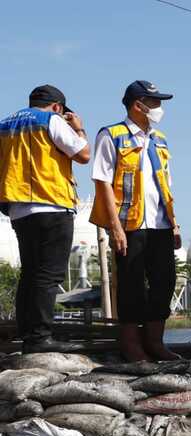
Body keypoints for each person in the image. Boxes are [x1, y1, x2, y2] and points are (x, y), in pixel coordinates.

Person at [89, 80, 180, 362]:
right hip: (129, 223)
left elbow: (166, 182)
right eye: (154, 103)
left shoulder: (160, 139)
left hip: (160, 224)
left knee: (164, 281)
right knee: (131, 285)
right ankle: (131, 345)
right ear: (138, 105)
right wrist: (114, 226)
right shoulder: (112, 135)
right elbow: (102, 180)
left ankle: (155, 341)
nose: (158, 108)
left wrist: (174, 223)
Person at [0, 85, 91, 353]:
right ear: (57, 107)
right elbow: (84, 155)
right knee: (49, 276)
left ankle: (29, 335)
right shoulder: (51, 120)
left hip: (18, 209)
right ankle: (40, 338)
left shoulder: (5, 124)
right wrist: (79, 128)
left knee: (29, 274)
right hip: (51, 203)